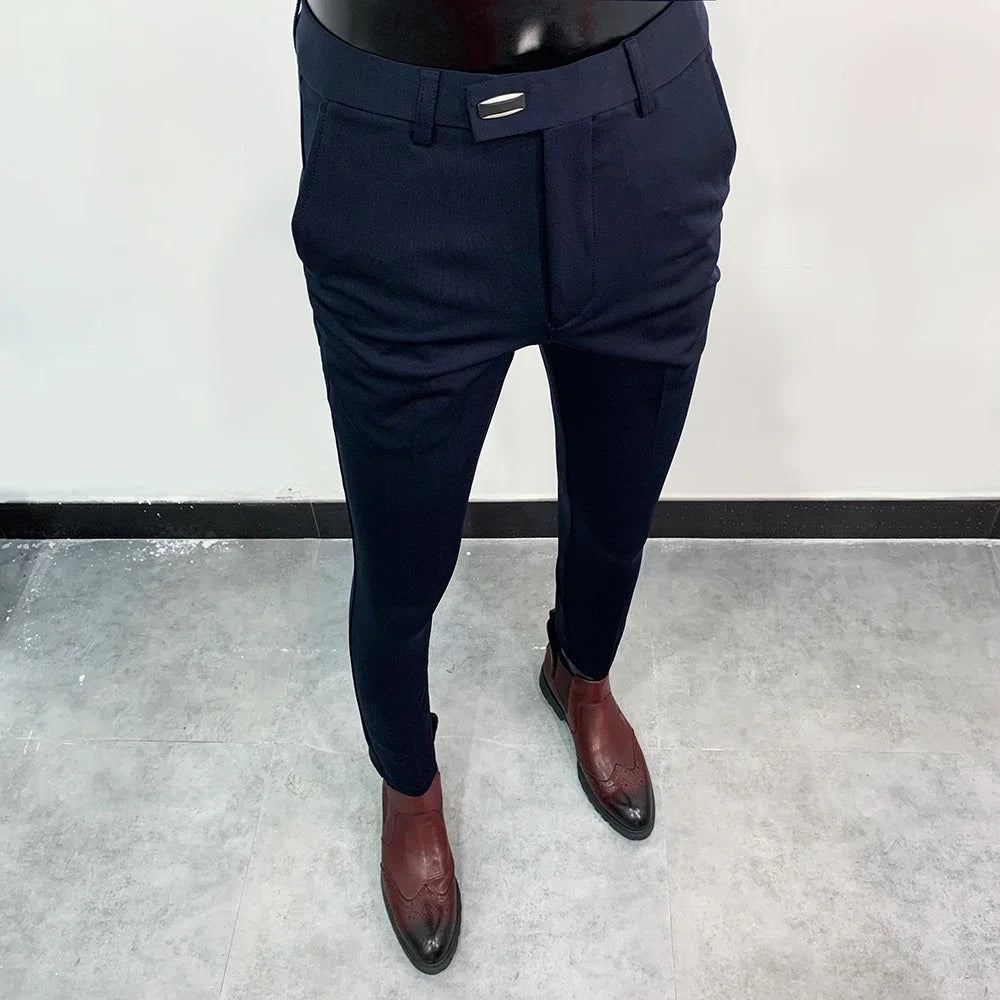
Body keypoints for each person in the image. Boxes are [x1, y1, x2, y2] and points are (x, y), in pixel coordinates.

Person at [289, 0, 736, 974]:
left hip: (642, 119)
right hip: (403, 150)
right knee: (401, 561)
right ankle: (408, 781)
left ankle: (580, 673)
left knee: (620, 501)